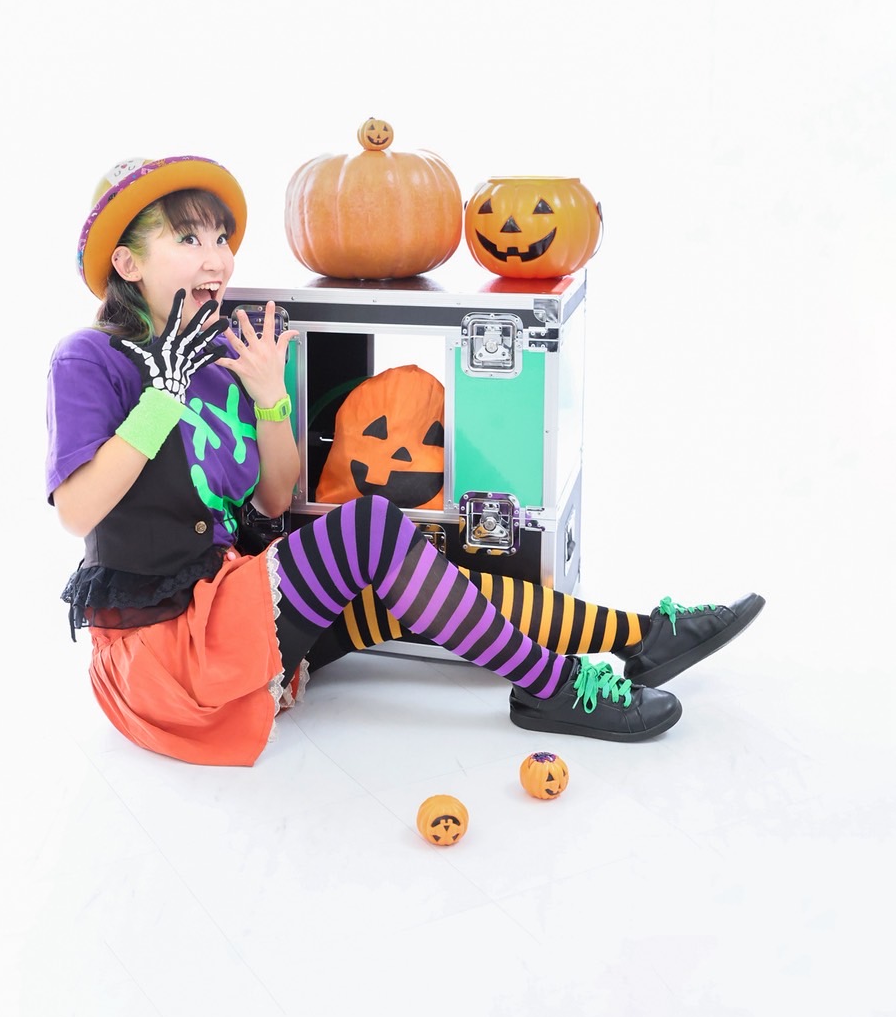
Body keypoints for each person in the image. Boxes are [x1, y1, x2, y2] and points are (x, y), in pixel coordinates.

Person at [46, 154, 765, 767]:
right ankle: (553, 686)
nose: (217, 258)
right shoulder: (90, 359)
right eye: (187, 237)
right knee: (372, 527)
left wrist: (268, 398)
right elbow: (78, 511)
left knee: (403, 586)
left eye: (220, 237)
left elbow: (272, 501)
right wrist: (161, 398)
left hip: (233, 610)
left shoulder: (218, 357)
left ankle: (643, 636)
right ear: (127, 262)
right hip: (168, 653)